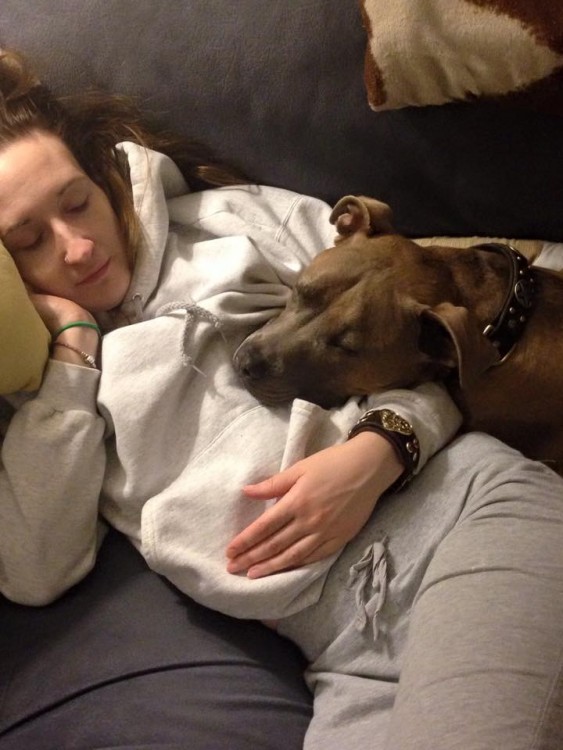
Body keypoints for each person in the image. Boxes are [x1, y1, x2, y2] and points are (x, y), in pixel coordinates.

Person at [0, 49, 562, 748]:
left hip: (460, 523)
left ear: (99, 177)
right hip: (342, 656)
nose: (77, 247)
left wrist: (387, 443)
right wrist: (74, 352)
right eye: (27, 242)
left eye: (77, 202)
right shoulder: (47, 393)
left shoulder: (228, 223)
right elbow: (33, 571)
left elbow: (432, 334)